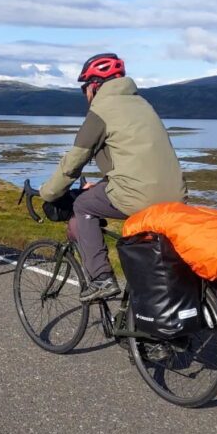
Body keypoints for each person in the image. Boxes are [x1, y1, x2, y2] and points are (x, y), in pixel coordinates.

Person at [39, 53, 186, 301]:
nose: (85, 94)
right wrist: (107, 184)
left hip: (139, 196)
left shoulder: (102, 110)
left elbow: (74, 161)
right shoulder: (142, 104)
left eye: (85, 87)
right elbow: (138, 160)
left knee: (83, 204)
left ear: (95, 86)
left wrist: (48, 192)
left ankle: (101, 279)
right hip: (176, 195)